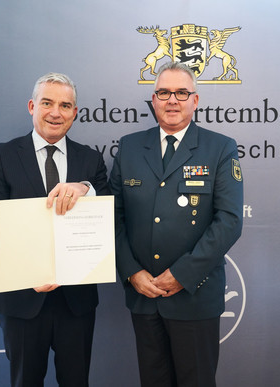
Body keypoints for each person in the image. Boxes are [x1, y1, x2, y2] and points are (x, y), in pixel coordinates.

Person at [110, 62, 244, 387]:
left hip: (195, 297)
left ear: (195, 100)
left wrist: (182, 275)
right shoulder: (129, 147)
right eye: (164, 93)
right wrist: (132, 272)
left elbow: (229, 220)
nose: (172, 100)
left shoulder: (220, 148)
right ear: (153, 101)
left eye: (181, 92)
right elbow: (113, 216)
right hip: (144, 296)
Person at [0, 72, 110, 387]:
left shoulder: (91, 160)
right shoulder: (5, 155)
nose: (56, 112)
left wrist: (85, 188)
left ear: (75, 113)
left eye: (65, 105)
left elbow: (109, 210)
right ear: (31, 106)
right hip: (23, 300)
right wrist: (29, 270)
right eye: (47, 103)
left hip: (75, 301)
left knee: (77, 381)